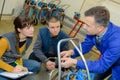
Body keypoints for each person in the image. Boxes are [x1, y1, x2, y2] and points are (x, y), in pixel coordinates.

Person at [61, 6, 120, 80]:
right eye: (85, 23)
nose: (84, 27)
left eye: (87, 25)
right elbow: (86, 45)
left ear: (100, 28)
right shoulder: (94, 30)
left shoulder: (117, 42)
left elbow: (101, 66)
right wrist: (72, 52)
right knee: (93, 77)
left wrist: (75, 62)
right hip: (108, 58)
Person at [0, 15, 40, 80]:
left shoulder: (29, 39)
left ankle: (12, 75)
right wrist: (12, 69)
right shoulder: (5, 40)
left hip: (13, 61)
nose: (32, 30)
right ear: (19, 29)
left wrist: (21, 66)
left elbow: (19, 55)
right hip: (2, 63)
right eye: (28, 28)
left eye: (32, 26)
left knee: (36, 65)